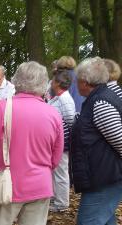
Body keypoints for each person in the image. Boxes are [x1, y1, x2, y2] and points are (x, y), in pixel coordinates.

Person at [0, 61, 64, 225]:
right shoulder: (53, 114)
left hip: (7, 184)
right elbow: (56, 157)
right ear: (43, 83)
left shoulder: (2, 108)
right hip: (41, 185)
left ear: (17, 80)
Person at [70, 58, 122, 225]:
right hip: (103, 176)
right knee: (106, 220)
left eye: (77, 80)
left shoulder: (100, 103)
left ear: (85, 82)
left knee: (88, 221)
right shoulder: (97, 98)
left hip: (105, 178)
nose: (76, 85)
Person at [47, 70, 75, 212]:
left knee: (61, 171)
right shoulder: (56, 98)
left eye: (53, 80)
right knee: (55, 171)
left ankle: (62, 203)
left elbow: (71, 120)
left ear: (58, 83)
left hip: (62, 141)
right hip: (56, 141)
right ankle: (55, 197)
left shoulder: (64, 98)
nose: (51, 82)